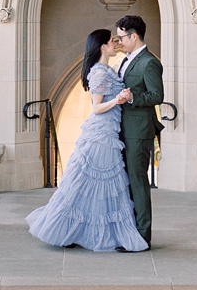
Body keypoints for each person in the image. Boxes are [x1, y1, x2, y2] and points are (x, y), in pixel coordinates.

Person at [25, 29, 149, 252]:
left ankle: (76, 230)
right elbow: (97, 108)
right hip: (101, 134)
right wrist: (118, 101)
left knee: (98, 185)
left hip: (109, 132)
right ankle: (65, 228)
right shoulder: (100, 73)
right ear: (103, 46)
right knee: (87, 183)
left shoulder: (106, 69)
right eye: (112, 41)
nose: (115, 44)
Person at [113, 13, 164, 247]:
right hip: (123, 128)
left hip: (139, 130)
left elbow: (157, 95)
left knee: (138, 181)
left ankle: (142, 236)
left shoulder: (150, 62)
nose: (119, 41)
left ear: (134, 36)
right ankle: (129, 230)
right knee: (127, 181)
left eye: (122, 37)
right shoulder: (127, 59)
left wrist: (133, 97)